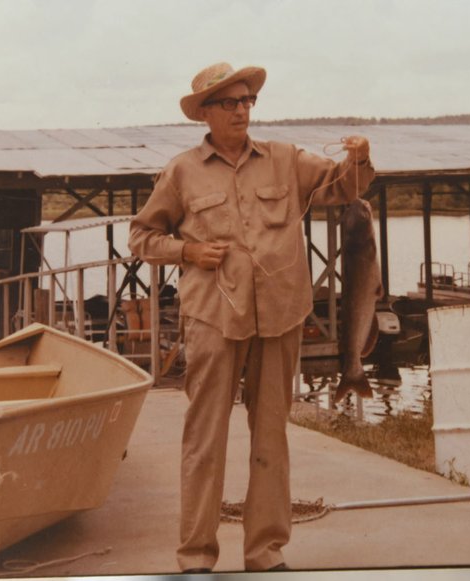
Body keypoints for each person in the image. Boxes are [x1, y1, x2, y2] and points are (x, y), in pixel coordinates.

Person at [128, 62, 375, 573]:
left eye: (247, 102)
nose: (242, 110)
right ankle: (196, 556)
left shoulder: (286, 159)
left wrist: (360, 156)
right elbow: (141, 238)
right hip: (213, 318)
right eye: (230, 103)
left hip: (281, 316)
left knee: (271, 437)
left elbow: (343, 188)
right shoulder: (181, 171)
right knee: (205, 440)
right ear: (206, 112)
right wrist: (189, 252)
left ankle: (265, 553)